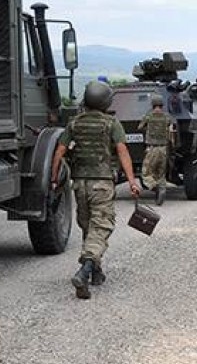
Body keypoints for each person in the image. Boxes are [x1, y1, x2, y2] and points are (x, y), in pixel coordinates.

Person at [51, 81, 140, 300]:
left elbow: (60, 151)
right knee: (101, 226)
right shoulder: (111, 124)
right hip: (101, 183)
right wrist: (132, 181)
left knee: (88, 225)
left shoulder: (74, 123)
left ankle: (96, 271)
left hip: (79, 183)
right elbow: (122, 151)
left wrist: (54, 179)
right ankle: (85, 270)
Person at [137, 94, 175, 205]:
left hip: (152, 148)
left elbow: (139, 127)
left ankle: (156, 188)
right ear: (162, 104)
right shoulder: (167, 117)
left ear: (152, 104)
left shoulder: (148, 116)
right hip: (164, 149)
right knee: (160, 173)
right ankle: (161, 191)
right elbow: (172, 127)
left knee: (146, 173)